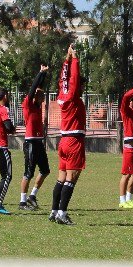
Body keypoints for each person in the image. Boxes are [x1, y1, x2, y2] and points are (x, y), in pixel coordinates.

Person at [52, 44, 85, 225]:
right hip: (73, 140)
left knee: (61, 177)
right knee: (71, 178)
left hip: (63, 140)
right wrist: (75, 59)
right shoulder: (72, 97)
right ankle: (62, 213)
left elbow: (64, 79)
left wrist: (67, 58)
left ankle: (54, 210)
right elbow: (72, 80)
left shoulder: (62, 95)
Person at [20, 64, 51, 210]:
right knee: (28, 173)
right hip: (31, 142)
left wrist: (44, 74)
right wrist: (41, 73)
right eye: (41, 94)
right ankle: (22, 202)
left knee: (45, 171)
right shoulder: (29, 105)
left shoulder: (38, 107)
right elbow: (33, 88)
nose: (43, 96)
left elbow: (38, 88)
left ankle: (32, 196)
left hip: (39, 143)